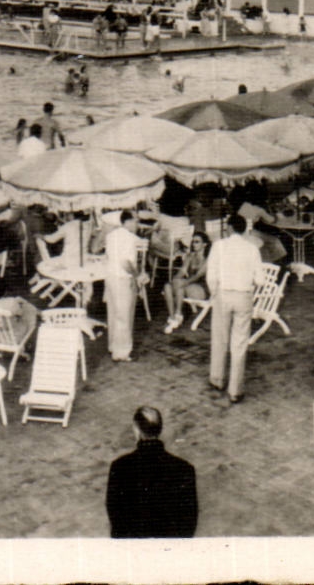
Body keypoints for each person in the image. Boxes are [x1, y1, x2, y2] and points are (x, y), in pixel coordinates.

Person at [105, 406, 199, 539]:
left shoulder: (119, 467)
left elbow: (115, 515)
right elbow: (189, 520)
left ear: (136, 430)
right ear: (160, 429)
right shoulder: (185, 469)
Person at [205, 214, 262, 404]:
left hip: (223, 294)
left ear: (229, 228)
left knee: (219, 337)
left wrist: (215, 292)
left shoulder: (218, 246)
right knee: (239, 343)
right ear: (245, 229)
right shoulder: (252, 249)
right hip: (243, 296)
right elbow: (260, 279)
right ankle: (235, 390)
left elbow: (211, 274)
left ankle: (217, 379)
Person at [103, 210, 144, 363]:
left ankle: (113, 346)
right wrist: (136, 275)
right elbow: (126, 262)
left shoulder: (111, 235)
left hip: (111, 278)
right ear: (127, 222)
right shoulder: (130, 238)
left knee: (113, 313)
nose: (137, 224)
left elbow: (108, 257)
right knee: (124, 316)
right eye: (136, 220)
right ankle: (122, 352)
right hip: (122, 278)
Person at [163, 229, 210, 334]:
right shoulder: (190, 256)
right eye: (193, 241)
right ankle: (172, 317)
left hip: (201, 288)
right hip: (188, 285)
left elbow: (198, 276)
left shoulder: (207, 259)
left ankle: (179, 314)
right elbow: (182, 271)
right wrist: (174, 280)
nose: (194, 244)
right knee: (167, 286)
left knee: (180, 286)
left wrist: (182, 282)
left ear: (205, 244)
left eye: (197, 242)